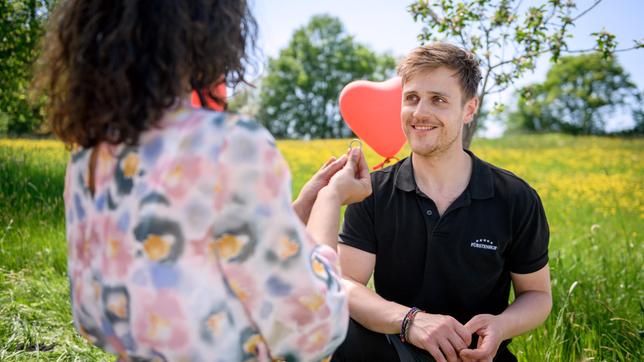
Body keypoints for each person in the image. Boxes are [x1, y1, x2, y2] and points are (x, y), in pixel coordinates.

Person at [34, 0, 371, 360]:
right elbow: (312, 324)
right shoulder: (228, 145)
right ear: (211, 27)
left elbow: (96, 314)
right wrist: (331, 199)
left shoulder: (88, 159)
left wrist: (302, 205)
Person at [332, 43, 552, 362]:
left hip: (476, 357)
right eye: (411, 98)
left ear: (469, 109)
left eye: (438, 99)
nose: (420, 113)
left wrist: (501, 326)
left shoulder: (515, 197)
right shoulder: (372, 192)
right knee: (341, 334)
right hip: (393, 351)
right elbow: (346, 284)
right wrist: (411, 322)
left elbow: (537, 295)